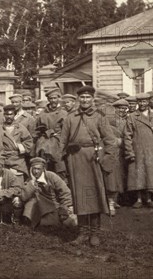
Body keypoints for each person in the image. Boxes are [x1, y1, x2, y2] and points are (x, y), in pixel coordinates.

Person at [60, 85, 116, 247]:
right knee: (79, 196)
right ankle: (83, 232)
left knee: (94, 194)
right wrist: (61, 162)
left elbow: (110, 140)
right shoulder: (71, 118)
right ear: (79, 99)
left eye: (88, 97)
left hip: (93, 159)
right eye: (82, 97)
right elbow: (62, 141)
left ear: (92, 99)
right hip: (75, 159)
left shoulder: (99, 117)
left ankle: (95, 233)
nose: (84, 100)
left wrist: (106, 159)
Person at [124, 92, 153, 209]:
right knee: (138, 174)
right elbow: (127, 135)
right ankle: (139, 199)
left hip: (151, 150)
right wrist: (129, 151)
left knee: (150, 174)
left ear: (148, 102)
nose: (142, 104)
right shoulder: (132, 116)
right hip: (137, 150)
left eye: (145, 101)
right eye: (140, 102)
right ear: (137, 103)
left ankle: (149, 199)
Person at [20, 157, 73, 228]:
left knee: (59, 223)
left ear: (43, 169)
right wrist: (32, 183)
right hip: (39, 207)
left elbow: (65, 192)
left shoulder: (51, 176)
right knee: (31, 203)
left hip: (53, 206)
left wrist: (64, 208)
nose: (36, 171)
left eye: (38, 169)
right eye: (34, 169)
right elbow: (23, 197)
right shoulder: (30, 179)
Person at [105, 99, 129, 215]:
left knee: (121, 175)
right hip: (112, 150)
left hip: (124, 150)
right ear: (115, 109)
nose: (122, 111)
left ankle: (115, 200)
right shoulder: (110, 119)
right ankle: (110, 202)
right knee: (112, 176)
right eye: (120, 108)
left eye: (124, 109)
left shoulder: (128, 119)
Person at [0, 105, 33, 180]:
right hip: (3, 159)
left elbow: (28, 143)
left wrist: (18, 147)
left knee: (18, 181)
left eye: (11, 114)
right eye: (7, 114)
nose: (9, 116)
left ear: (15, 115)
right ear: (4, 115)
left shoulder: (20, 128)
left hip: (17, 159)